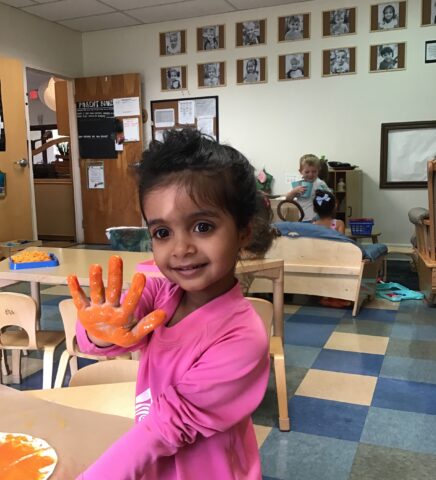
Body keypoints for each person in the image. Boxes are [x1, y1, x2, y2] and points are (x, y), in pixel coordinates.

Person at [67, 128, 273, 479]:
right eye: (162, 233)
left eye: (203, 226)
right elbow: (103, 344)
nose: (180, 249)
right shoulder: (160, 295)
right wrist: (101, 333)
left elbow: (166, 425)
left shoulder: (242, 338)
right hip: (153, 464)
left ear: (243, 231)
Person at [285, 154, 330, 222]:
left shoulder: (320, 183)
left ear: (318, 170)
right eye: (307, 172)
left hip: (318, 219)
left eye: (314, 171)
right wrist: (294, 191)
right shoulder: (298, 184)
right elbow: (288, 199)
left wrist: (322, 196)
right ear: (300, 171)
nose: (310, 174)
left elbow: (330, 198)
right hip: (303, 218)